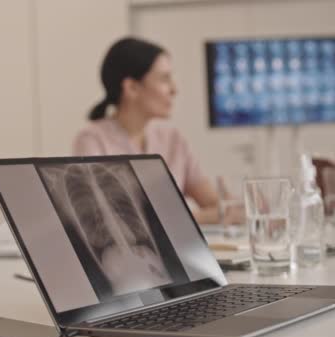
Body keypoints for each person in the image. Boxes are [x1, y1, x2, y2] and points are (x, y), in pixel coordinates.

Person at [73, 37, 224, 224]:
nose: (174, 89)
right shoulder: (93, 140)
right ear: (132, 87)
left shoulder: (172, 139)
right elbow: (102, 220)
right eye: (164, 79)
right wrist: (185, 220)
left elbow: (220, 207)